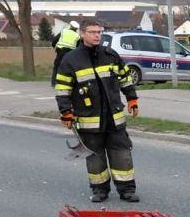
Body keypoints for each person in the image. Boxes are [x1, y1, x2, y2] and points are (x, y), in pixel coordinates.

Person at [54, 19, 140, 203]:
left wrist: (132, 98)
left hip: (114, 118)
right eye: (92, 32)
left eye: (99, 32)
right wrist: (65, 112)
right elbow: (62, 89)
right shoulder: (71, 60)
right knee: (95, 157)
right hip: (88, 119)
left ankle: (127, 190)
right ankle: (100, 190)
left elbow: (125, 78)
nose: (97, 35)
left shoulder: (110, 55)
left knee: (122, 154)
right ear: (82, 34)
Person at [50, 20, 80, 87]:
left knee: (57, 67)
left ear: (70, 26)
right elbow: (78, 47)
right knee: (70, 67)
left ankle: (54, 82)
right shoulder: (77, 36)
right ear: (76, 29)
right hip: (70, 53)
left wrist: (53, 46)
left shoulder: (64, 31)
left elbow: (55, 40)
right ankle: (69, 82)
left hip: (60, 51)